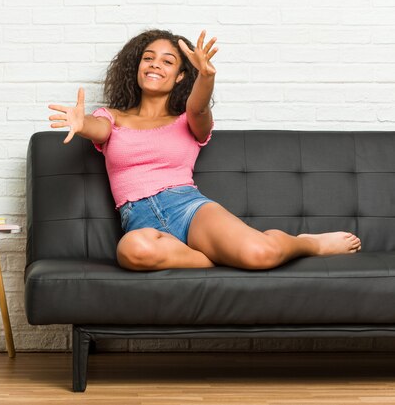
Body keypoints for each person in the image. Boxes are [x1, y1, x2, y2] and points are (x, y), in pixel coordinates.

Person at [47, 29, 361, 271]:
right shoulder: (112, 118)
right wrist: (81, 122)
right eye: (149, 57)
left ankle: (306, 244)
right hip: (139, 220)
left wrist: (207, 77)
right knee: (132, 251)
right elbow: (96, 128)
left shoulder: (188, 120)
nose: (156, 64)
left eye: (168, 61)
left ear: (181, 75)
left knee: (260, 253)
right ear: (137, 66)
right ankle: (212, 259)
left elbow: (198, 109)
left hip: (188, 208)